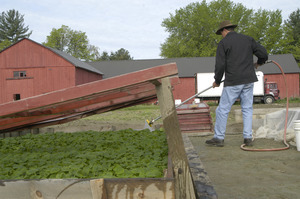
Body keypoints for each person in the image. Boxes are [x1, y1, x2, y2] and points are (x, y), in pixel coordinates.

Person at [205, 20, 268, 147]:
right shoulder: (247, 39)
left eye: (221, 33)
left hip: (233, 81)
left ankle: (218, 138)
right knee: (247, 108)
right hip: (249, 80)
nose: (221, 35)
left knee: (222, 110)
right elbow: (263, 54)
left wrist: (217, 81)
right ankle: (247, 138)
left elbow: (220, 64)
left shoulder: (224, 43)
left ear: (224, 31)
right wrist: (259, 63)